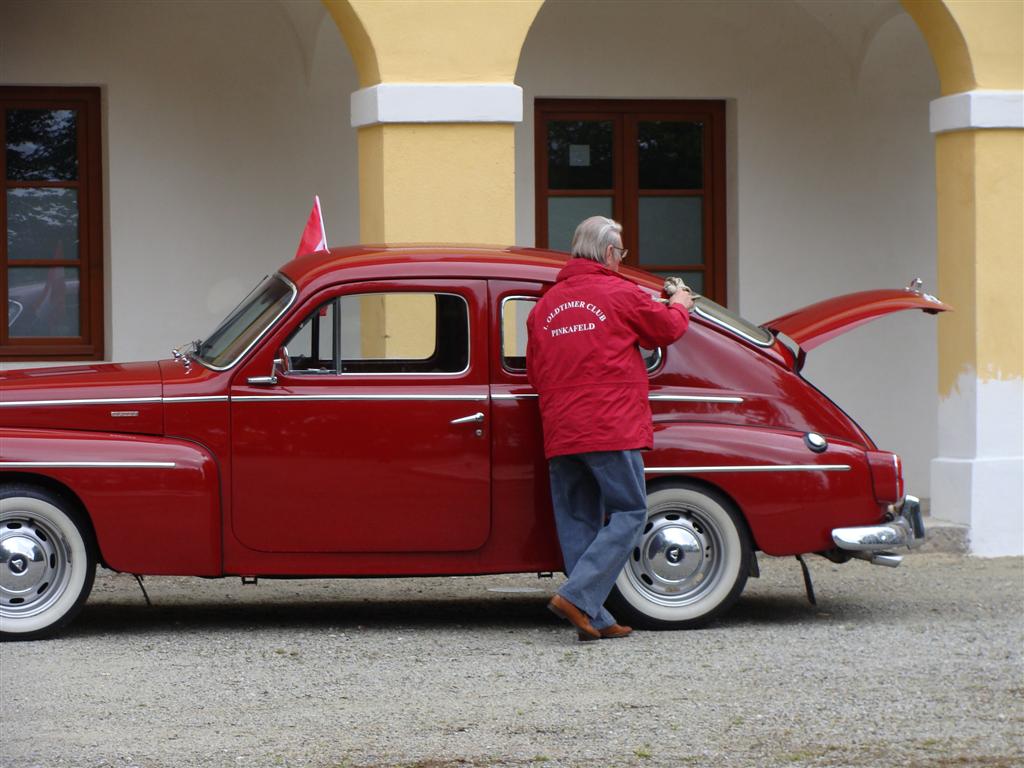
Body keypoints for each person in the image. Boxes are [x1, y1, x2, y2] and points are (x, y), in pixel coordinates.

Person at [526, 216, 694, 641]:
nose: (620, 260)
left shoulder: (545, 307)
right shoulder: (619, 292)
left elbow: (534, 371)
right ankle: (578, 597)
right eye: (620, 252)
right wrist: (680, 303)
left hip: (561, 429)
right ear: (607, 253)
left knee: (578, 520)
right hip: (609, 424)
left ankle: (592, 617)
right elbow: (666, 331)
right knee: (630, 512)